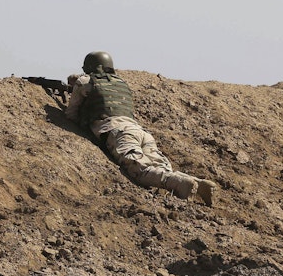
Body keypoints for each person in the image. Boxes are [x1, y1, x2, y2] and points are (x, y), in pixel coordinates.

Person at [64, 51, 217, 205]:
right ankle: (198, 183)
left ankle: (180, 183)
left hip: (118, 132)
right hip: (140, 132)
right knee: (158, 166)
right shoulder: (121, 83)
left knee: (139, 170)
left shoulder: (85, 81)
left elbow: (71, 114)